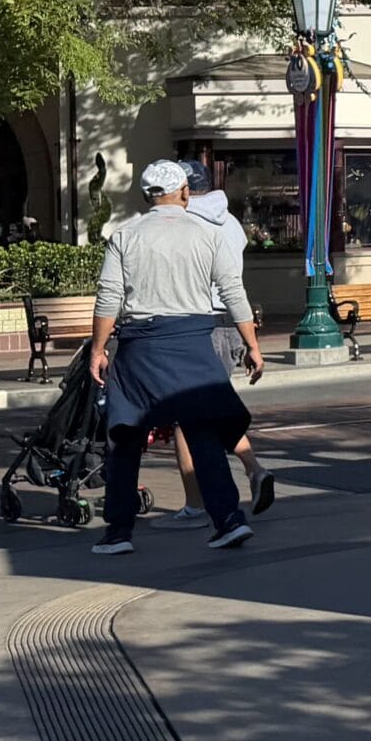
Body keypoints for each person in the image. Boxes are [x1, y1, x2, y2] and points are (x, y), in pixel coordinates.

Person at [87, 160, 265, 556]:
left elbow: (108, 298)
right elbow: (233, 293)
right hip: (192, 342)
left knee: (125, 435)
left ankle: (118, 532)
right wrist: (251, 344)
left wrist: (98, 351)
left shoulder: (125, 235)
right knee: (202, 432)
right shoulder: (207, 234)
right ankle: (228, 520)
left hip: (140, 345)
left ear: (146, 195)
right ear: (184, 192)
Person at [150, 159, 275, 528]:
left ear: (183, 189)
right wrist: (251, 340)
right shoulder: (231, 222)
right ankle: (254, 469)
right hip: (229, 326)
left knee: (185, 420)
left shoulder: (185, 223)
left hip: (196, 326)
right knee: (210, 412)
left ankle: (195, 505)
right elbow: (233, 286)